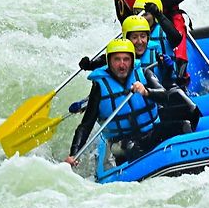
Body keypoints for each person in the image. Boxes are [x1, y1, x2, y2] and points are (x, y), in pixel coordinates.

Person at [65, 39, 193, 167]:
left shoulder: (144, 73)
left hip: (150, 132)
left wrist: (146, 92)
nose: (122, 65)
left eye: (126, 59)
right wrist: (74, 153)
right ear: (109, 62)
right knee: (132, 147)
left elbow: (166, 97)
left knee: (184, 126)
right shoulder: (99, 87)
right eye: (117, 59)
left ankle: (188, 162)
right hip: (121, 142)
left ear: (132, 61)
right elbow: (86, 125)